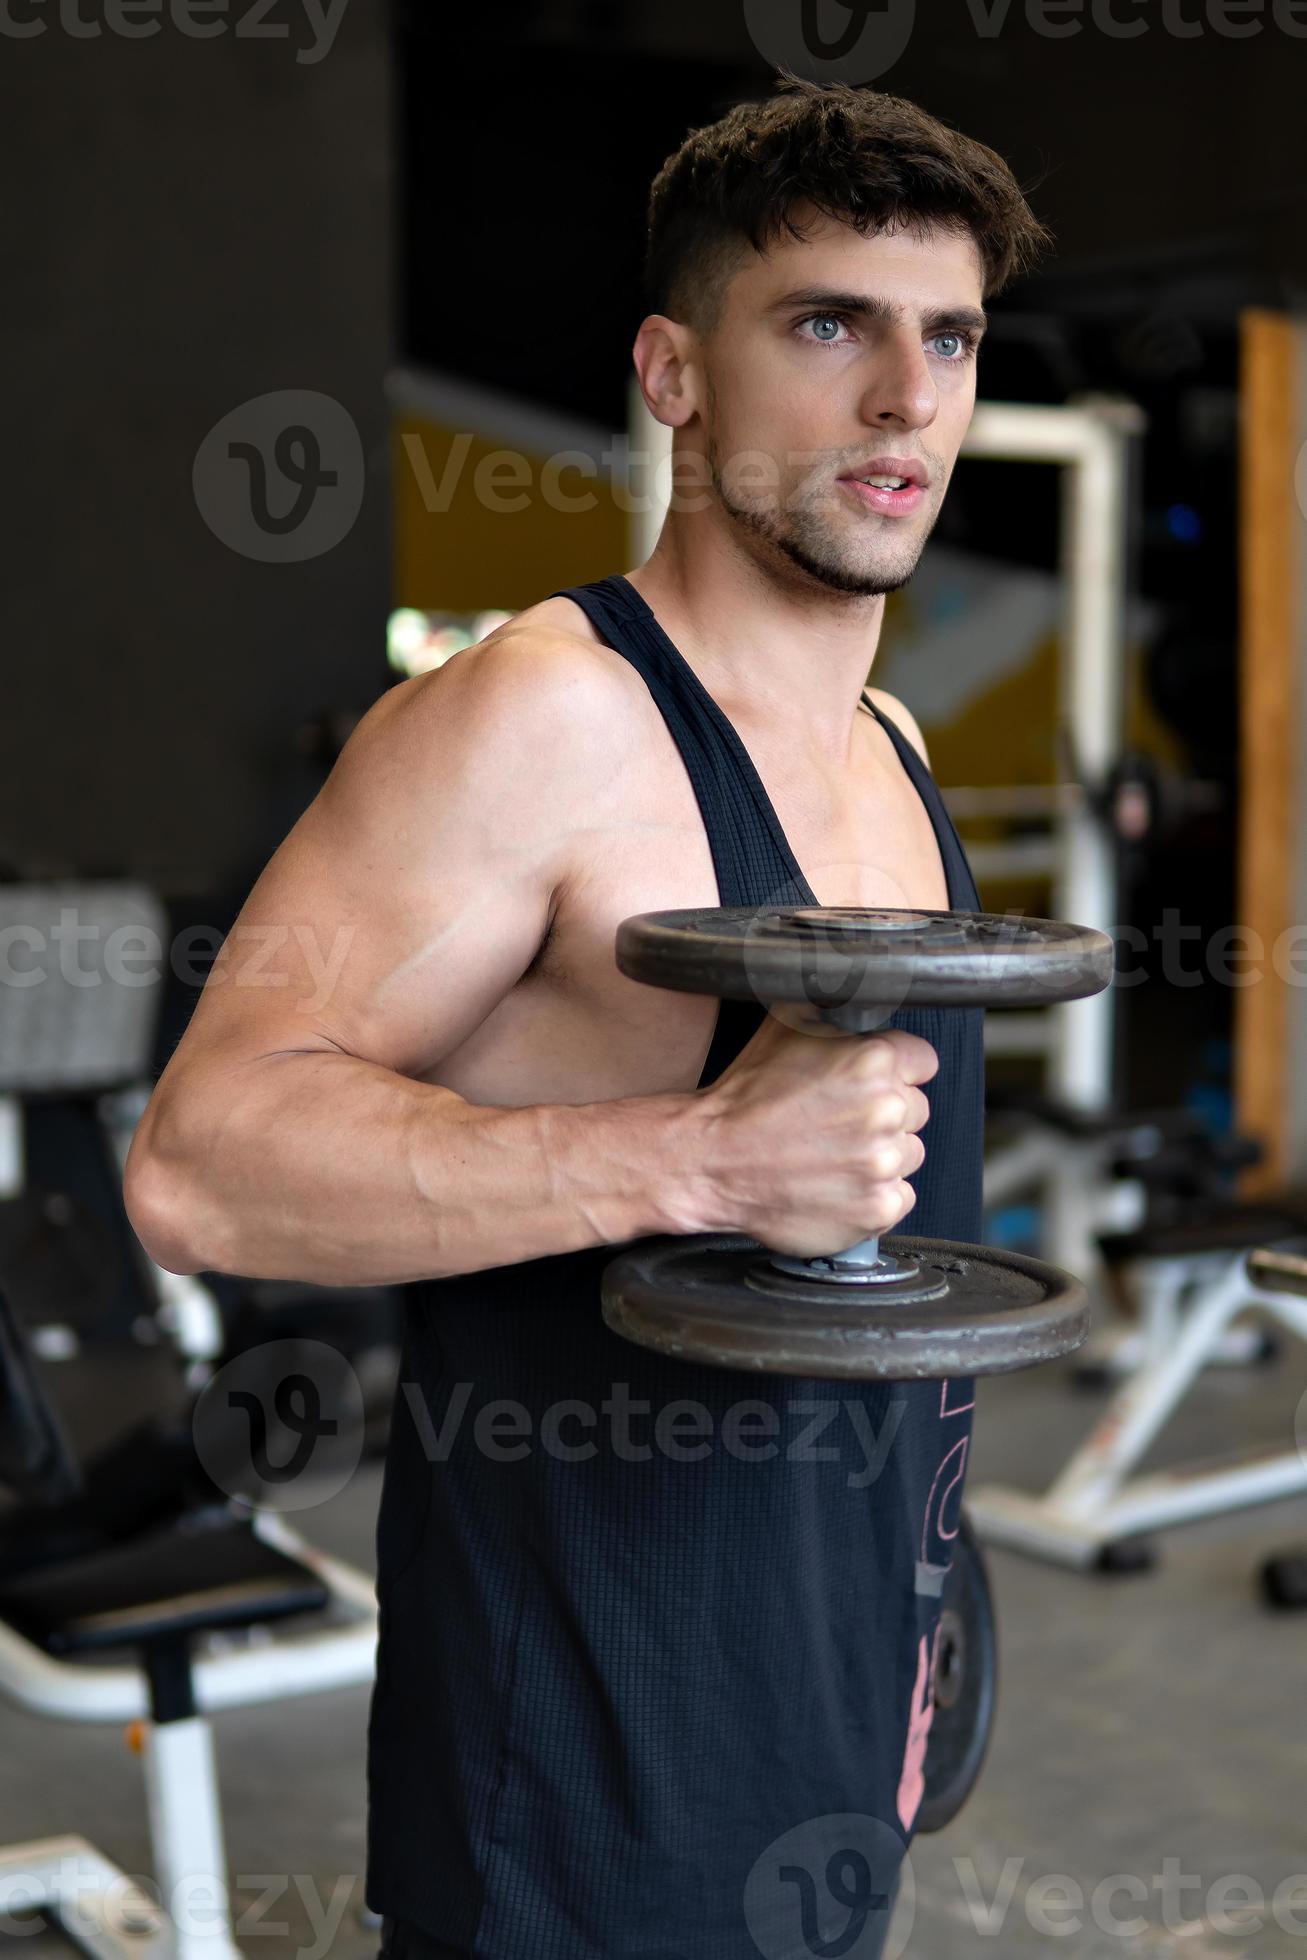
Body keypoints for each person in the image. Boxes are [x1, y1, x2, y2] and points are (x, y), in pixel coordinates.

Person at [125, 73, 1050, 1960]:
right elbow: (198, 1171)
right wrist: (696, 1154)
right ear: (673, 370)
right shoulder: (535, 720)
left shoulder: (893, 746)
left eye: (946, 337)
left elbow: (891, 1270)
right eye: (827, 325)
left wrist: (913, 1616)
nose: (906, 400)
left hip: (828, 1700)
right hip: (575, 1783)